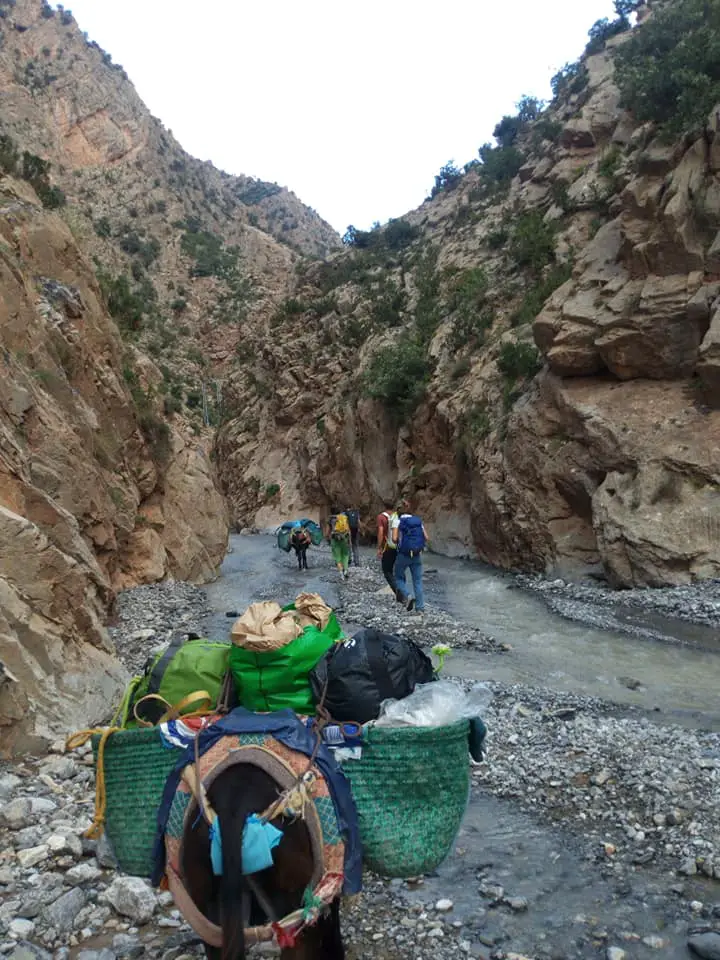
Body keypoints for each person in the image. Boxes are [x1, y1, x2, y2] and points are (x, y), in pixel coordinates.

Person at [392, 500, 429, 616]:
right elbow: (427, 537)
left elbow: (394, 539)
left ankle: (407, 595)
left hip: (403, 554)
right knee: (417, 581)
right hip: (417, 554)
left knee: (398, 577)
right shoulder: (417, 521)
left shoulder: (398, 521)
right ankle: (420, 608)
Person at [376, 501, 401, 598]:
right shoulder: (397, 516)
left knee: (387, 571)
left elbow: (381, 532)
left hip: (388, 546)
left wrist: (379, 547)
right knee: (397, 570)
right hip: (399, 546)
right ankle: (403, 589)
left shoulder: (381, 517)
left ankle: (399, 593)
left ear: (384, 507)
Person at [328, 508, 351, 580]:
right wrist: (349, 541)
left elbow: (329, 531)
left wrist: (329, 539)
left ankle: (341, 573)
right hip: (344, 539)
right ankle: (346, 571)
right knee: (345, 555)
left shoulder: (331, 520)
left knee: (338, 558)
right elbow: (348, 530)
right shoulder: (344, 518)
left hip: (335, 540)